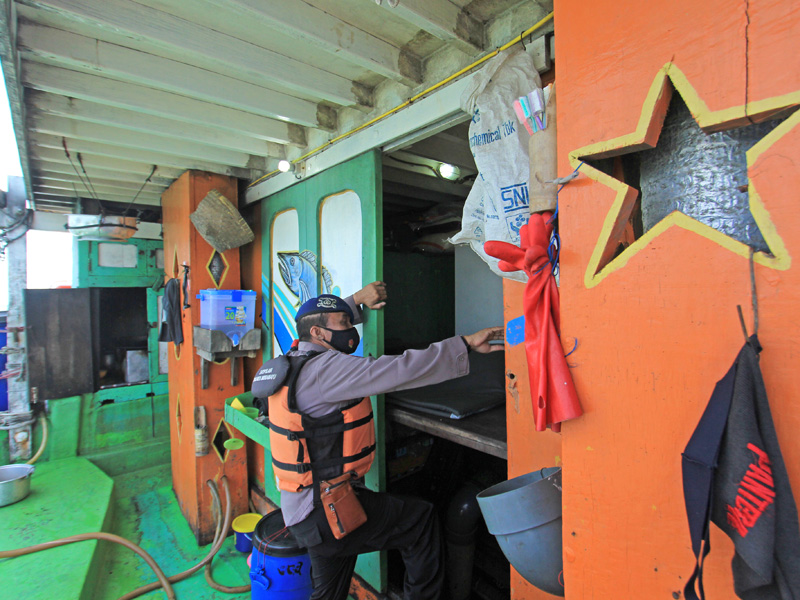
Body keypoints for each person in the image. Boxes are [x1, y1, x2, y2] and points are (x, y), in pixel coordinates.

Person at [251, 281, 504, 600]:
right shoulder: (328, 370)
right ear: (318, 334)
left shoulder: (291, 360)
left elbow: (317, 317)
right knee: (420, 520)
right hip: (327, 511)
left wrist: (354, 301)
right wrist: (465, 343)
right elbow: (401, 369)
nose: (350, 330)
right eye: (343, 324)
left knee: (328, 593)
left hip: (304, 511)